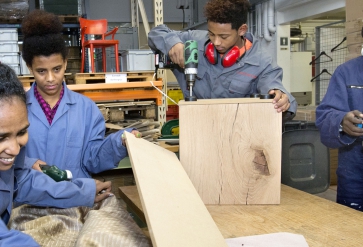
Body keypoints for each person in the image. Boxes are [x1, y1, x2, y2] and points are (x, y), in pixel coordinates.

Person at [0, 63, 113, 245]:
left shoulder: (85, 107)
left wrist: (84, 191)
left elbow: (23, 181)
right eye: (1, 137)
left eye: (21, 133)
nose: (14, 149)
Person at [21, 10, 140, 178]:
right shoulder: (18, 108)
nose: (50, 78)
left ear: (65, 63)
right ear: (29, 68)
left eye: (57, 69)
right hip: (29, 199)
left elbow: (93, 159)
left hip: (75, 196)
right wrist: (27, 163)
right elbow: (6, 154)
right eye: (41, 71)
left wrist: (119, 142)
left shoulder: (86, 109)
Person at [148, 0, 297, 117]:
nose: (216, 42)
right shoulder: (193, 42)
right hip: (196, 131)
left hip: (237, 139)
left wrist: (281, 97)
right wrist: (173, 43)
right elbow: (156, 33)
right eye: (211, 34)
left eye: (223, 36)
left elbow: (274, 87)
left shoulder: (262, 62)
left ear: (242, 30)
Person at [315, 55, 363, 211]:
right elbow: (324, 116)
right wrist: (342, 121)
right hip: (356, 180)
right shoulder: (346, 73)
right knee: (352, 231)